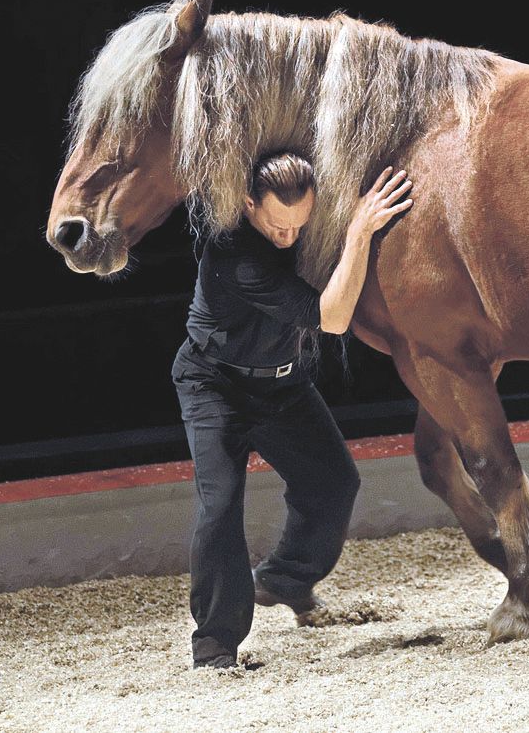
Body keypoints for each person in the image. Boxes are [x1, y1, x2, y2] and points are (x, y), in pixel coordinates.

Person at [171, 151, 414, 669]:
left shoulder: (302, 227)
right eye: (278, 226)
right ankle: (214, 647)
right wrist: (359, 233)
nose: (289, 237)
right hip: (216, 385)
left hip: (284, 385)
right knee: (219, 507)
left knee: (334, 483)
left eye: (299, 225)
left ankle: (284, 580)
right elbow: (331, 318)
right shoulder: (235, 253)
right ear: (248, 204)